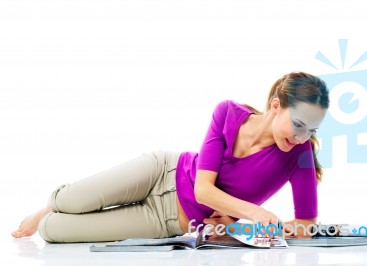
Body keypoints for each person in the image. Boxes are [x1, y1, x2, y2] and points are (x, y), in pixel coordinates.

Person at [12, 71, 329, 243]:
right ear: (276, 105)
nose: (302, 137)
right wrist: (253, 213)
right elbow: (204, 189)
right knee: (67, 202)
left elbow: (305, 224)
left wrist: (238, 228)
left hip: (165, 220)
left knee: (55, 232)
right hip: (161, 170)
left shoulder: (299, 154)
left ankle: (48, 219)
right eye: (298, 125)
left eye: (311, 130)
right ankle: (48, 207)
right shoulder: (228, 112)